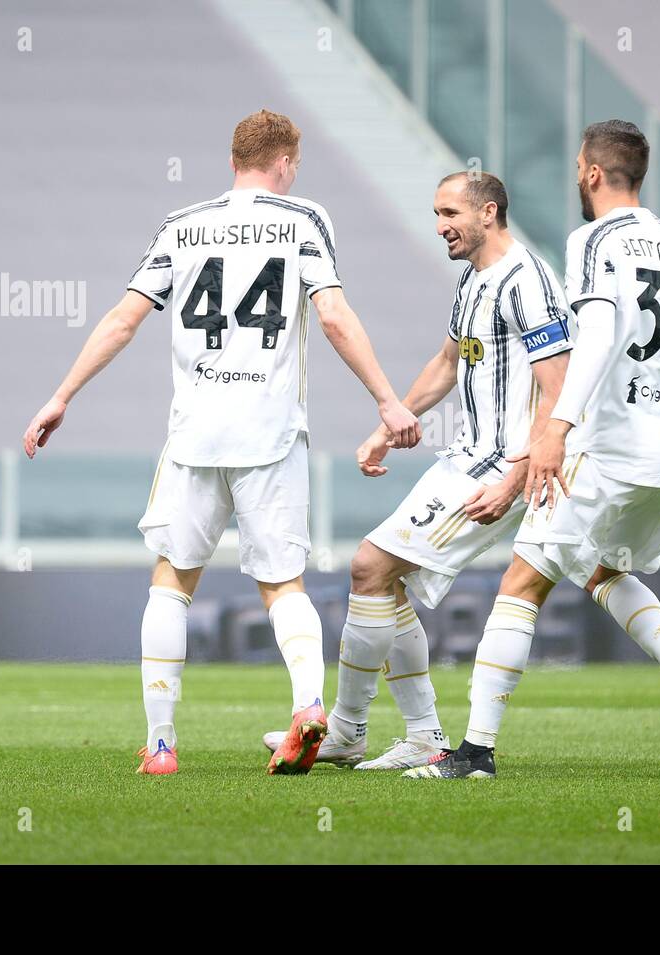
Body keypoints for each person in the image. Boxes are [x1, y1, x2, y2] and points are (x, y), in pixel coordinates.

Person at [21, 109, 419, 777]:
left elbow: (123, 320)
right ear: (284, 163)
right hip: (269, 433)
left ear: (233, 160)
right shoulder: (302, 220)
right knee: (282, 583)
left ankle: (161, 745)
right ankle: (306, 708)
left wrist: (61, 395)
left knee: (172, 582)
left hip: (194, 435)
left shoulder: (183, 225)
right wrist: (386, 397)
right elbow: (333, 316)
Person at [407, 121, 660, 780]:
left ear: (590, 172)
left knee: (521, 583)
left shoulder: (595, 240)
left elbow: (600, 334)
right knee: (600, 569)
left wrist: (556, 427)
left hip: (607, 445)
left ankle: (474, 753)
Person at [263, 171, 571, 770]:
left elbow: (558, 387)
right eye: (435, 214)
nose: (440, 227)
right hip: (461, 457)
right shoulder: (472, 279)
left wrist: (515, 475)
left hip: (496, 470)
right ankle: (423, 736)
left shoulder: (528, 281)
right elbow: (449, 360)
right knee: (384, 581)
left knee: (368, 566)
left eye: (450, 213)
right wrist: (390, 422)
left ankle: (347, 731)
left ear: (489, 211)